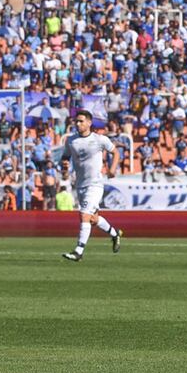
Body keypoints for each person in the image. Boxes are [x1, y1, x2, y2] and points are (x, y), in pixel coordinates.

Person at [61, 110, 123, 261]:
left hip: (95, 184)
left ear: (89, 123)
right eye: (76, 121)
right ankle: (115, 234)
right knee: (93, 219)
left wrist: (112, 169)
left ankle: (78, 251)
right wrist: (65, 165)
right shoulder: (71, 140)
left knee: (84, 215)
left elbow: (116, 153)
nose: (78, 124)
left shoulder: (99, 139)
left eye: (81, 121)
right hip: (80, 184)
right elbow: (65, 156)